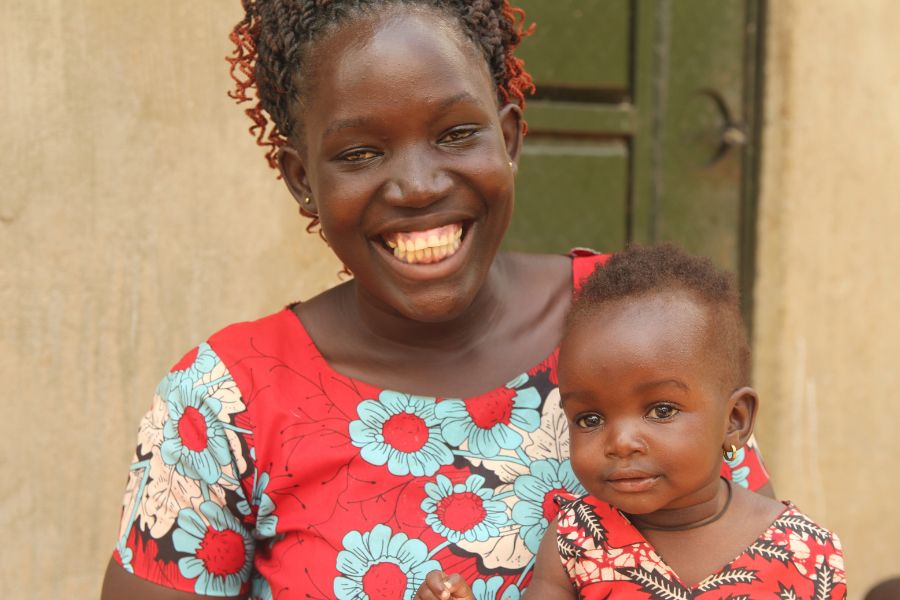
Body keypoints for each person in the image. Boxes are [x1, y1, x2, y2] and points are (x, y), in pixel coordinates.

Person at [100, 3, 771, 599]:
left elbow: (766, 569)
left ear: (508, 139)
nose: (418, 186)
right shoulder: (225, 403)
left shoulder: (643, 326)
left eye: (455, 134)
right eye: (360, 153)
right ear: (302, 178)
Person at [416, 245, 845, 600]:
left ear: (734, 420)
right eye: (590, 418)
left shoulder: (805, 551)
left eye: (661, 410)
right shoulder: (577, 541)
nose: (620, 442)